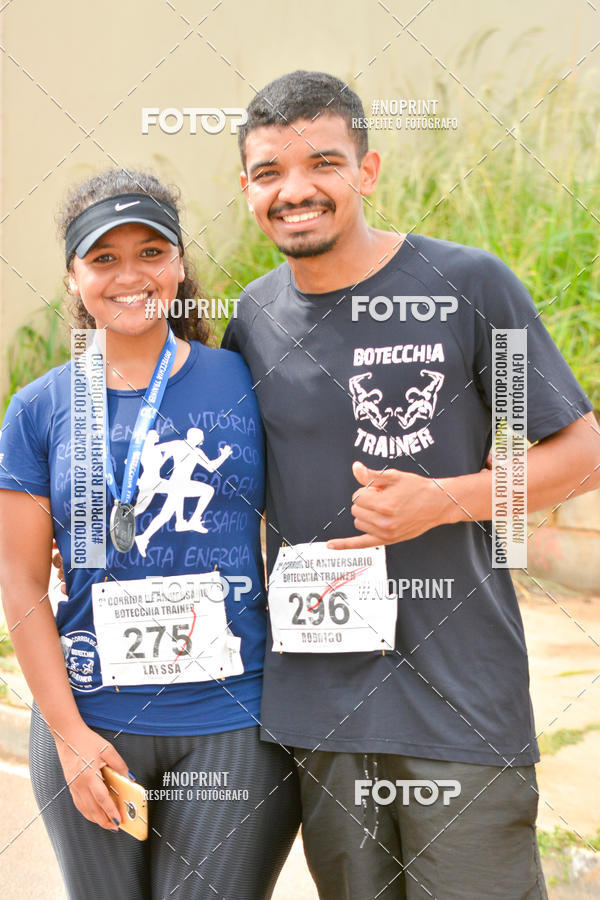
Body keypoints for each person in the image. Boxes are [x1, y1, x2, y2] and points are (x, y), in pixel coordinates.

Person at [222, 70, 600, 898]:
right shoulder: (251, 318)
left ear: (368, 169)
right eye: (268, 173)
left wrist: (444, 500)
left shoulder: (468, 287)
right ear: (246, 188)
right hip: (322, 704)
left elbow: (580, 451)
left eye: (323, 162)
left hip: (459, 699)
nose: (296, 191)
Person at [0, 170, 300, 899]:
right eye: (103, 258)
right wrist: (69, 735)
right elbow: (18, 580)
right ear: (73, 275)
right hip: (93, 717)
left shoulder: (247, 378)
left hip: (234, 721)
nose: (130, 276)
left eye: (151, 253)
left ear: (178, 266)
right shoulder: (39, 409)